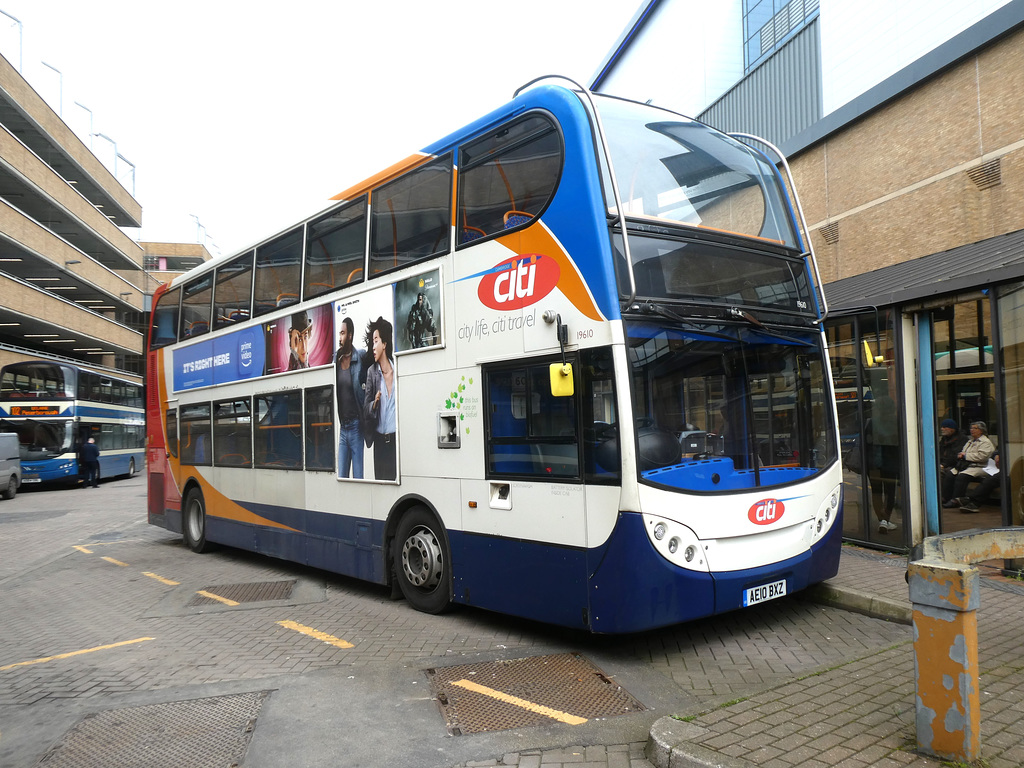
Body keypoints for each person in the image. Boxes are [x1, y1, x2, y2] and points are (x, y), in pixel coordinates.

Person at [363, 316, 397, 481]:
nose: (372, 346)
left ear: (384, 344)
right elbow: (365, 409)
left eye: (375, 341)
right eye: (371, 342)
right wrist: (374, 405)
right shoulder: (371, 372)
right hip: (379, 443)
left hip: (396, 443)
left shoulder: (398, 371)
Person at [334, 316, 366, 479]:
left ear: (350, 335)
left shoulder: (360, 357)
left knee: (358, 478)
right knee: (342, 477)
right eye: (339, 334)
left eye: (343, 333)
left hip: (356, 427)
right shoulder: (336, 360)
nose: (340, 338)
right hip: (343, 428)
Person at [942, 421, 996, 510]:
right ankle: (946, 497)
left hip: (980, 466)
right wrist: (961, 455)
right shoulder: (970, 441)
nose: (972, 430)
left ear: (981, 430)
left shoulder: (985, 442)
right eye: (971, 428)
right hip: (967, 465)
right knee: (950, 474)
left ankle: (957, 500)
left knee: (962, 477)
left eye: (975, 428)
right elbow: (964, 451)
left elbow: (982, 456)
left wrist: (966, 456)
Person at [938, 418, 965, 506]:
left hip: (955, 464)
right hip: (943, 463)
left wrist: (943, 465)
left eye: (945, 427)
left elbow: (956, 456)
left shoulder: (961, 439)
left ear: (952, 428)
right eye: (942, 427)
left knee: (942, 473)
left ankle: (943, 497)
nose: (942, 429)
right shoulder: (944, 439)